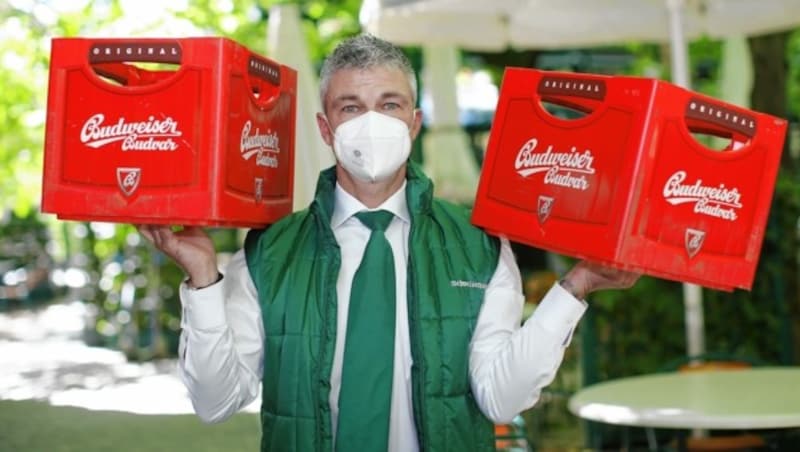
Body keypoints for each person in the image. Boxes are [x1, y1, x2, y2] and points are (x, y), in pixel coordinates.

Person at [138, 34, 639, 452]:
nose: (371, 123)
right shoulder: (269, 251)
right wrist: (202, 279)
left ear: (414, 123)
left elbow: (501, 399)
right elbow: (215, 402)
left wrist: (574, 287)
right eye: (350, 107)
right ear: (325, 127)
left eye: (389, 104)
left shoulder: (480, 246)